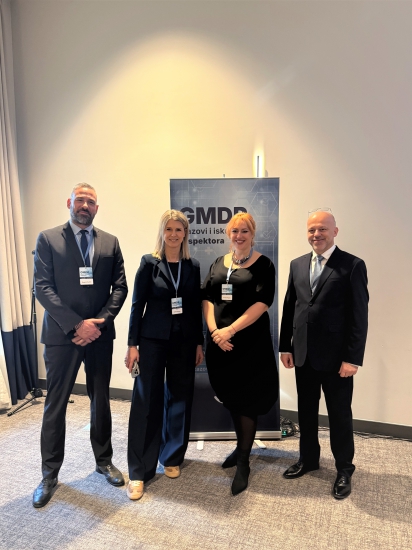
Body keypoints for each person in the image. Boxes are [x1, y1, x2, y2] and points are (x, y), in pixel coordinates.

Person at [32, 183, 128, 508]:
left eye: (91, 201)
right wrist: (77, 325)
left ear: (97, 208)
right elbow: (42, 287)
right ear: (69, 203)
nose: (85, 205)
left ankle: (104, 461)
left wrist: (98, 323)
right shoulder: (48, 239)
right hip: (63, 336)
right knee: (55, 404)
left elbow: (120, 287)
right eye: (80, 200)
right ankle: (49, 475)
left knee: (101, 400)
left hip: (99, 336)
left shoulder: (110, 242)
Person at [279, 209, 368, 500]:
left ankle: (344, 469)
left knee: (339, 415)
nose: (316, 234)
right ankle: (308, 459)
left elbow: (359, 316)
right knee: (306, 411)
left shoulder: (352, 265)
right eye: (311, 230)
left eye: (322, 229)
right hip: (303, 354)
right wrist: (285, 346)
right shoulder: (297, 264)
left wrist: (353, 358)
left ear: (335, 231)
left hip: (337, 359)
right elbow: (290, 307)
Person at [125, 210, 204, 501]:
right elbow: (137, 306)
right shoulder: (149, 263)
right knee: (146, 400)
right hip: (152, 341)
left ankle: (171, 456)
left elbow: (194, 307)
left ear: (185, 234)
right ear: (162, 232)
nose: (173, 234)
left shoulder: (192, 265)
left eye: (178, 229)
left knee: (181, 397)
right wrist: (132, 345)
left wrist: (199, 343)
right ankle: (139, 471)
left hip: (184, 341)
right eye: (169, 229)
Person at [201, 212, 278, 496]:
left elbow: (262, 303)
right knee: (232, 397)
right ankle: (240, 447)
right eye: (235, 231)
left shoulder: (264, 264)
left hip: (249, 346)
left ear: (252, 234)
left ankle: (243, 462)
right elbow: (207, 298)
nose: (239, 236)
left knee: (247, 400)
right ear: (228, 234)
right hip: (220, 345)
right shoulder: (218, 263)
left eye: (244, 231)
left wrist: (230, 330)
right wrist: (215, 332)